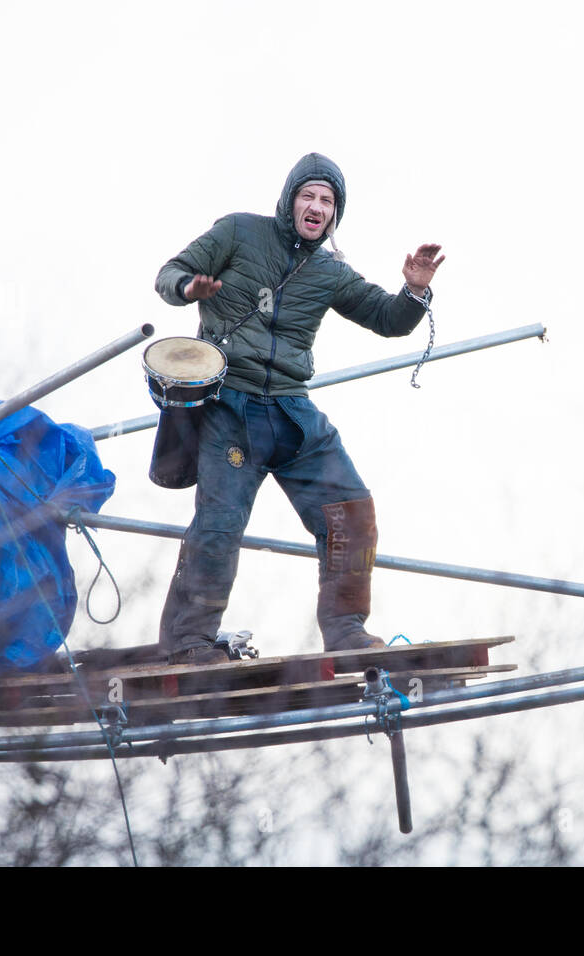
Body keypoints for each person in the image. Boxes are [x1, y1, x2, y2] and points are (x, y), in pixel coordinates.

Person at [153, 152, 444, 665]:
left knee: (351, 514)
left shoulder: (330, 271)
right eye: (308, 195)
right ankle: (191, 642)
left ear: (335, 214)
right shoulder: (239, 232)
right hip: (230, 407)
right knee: (218, 526)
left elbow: (387, 318)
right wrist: (189, 287)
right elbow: (169, 273)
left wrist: (415, 290)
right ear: (290, 200)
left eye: (327, 200)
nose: (316, 206)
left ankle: (347, 632)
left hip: (290, 412)